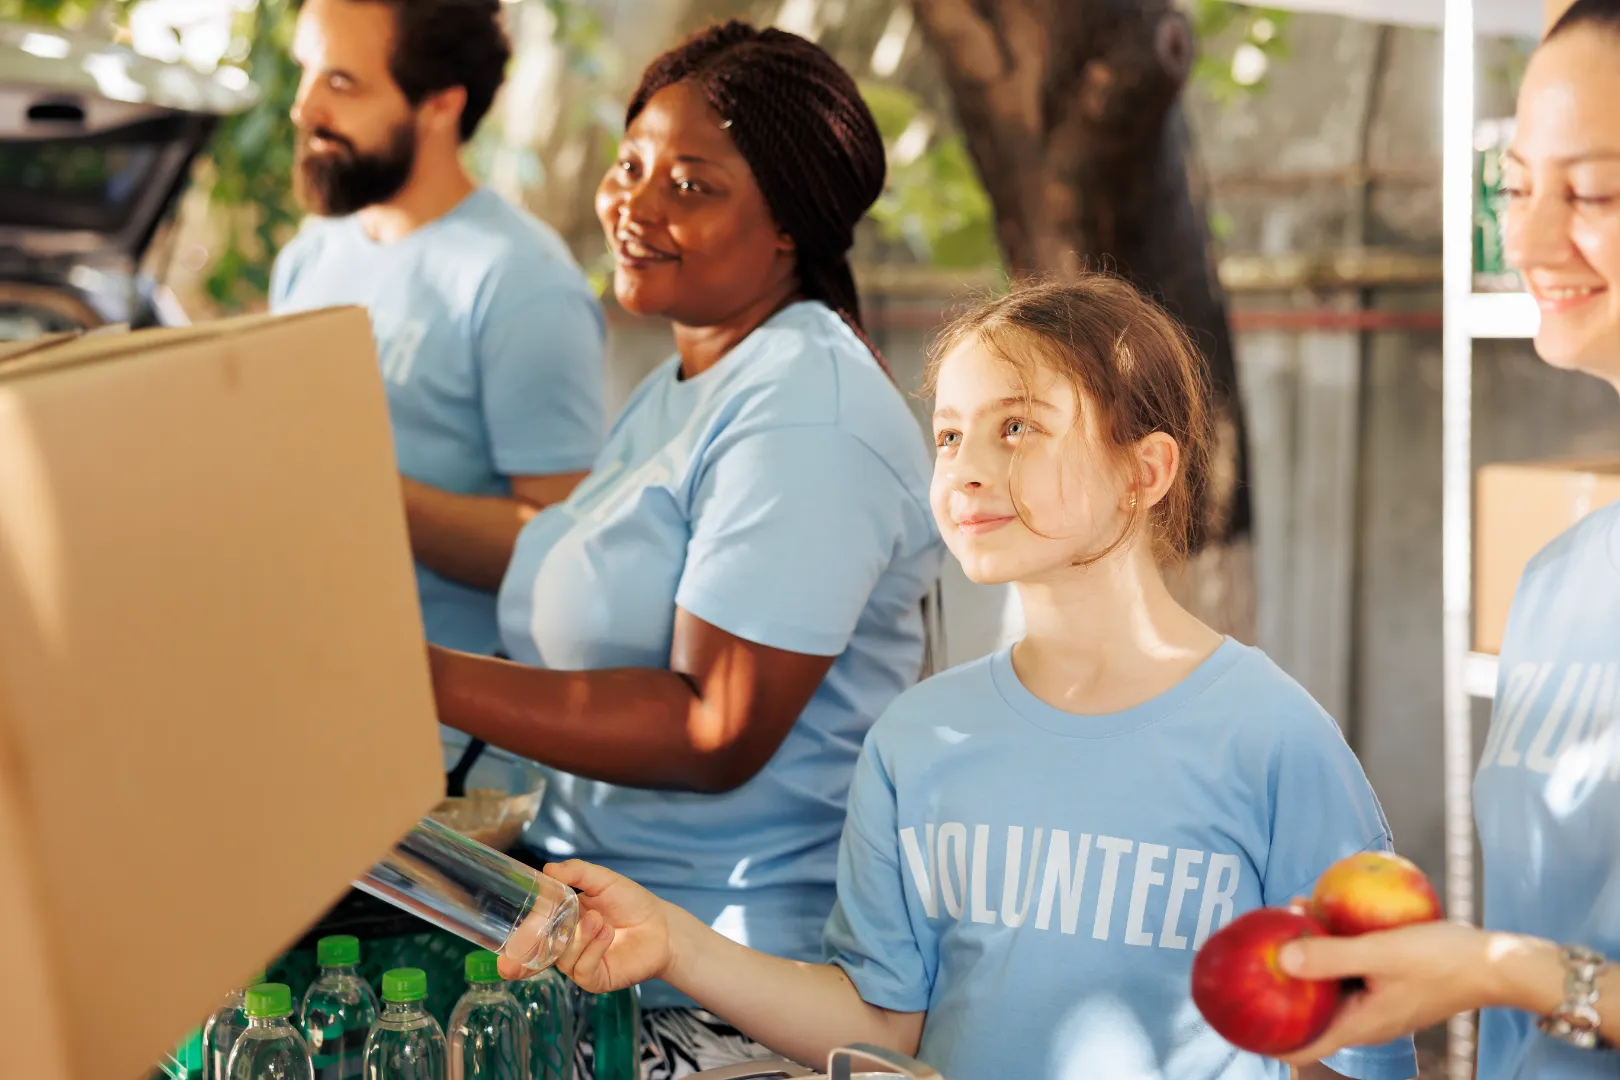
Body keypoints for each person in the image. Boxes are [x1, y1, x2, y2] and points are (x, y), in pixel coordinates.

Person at [526, 275, 1420, 1080]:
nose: (968, 470)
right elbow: (882, 1026)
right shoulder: (916, 743)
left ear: (1144, 470)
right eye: (950, 435)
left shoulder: (1276, 740)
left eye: (1018, 428)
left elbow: (1356, 1061)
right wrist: (673, 941)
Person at [428, 22, 943, 1076]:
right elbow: (560, 558)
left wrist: (411, 680)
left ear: (789, 224)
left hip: (729, 998)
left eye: (694, 186)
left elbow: (714, 726)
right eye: (631, 167)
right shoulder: (695, 379)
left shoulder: (807, 410)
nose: (636, 206)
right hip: (600, 942)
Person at [1270, 4, 1620, 1078]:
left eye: (1594, 190)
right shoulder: (1562, 579)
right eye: (1516, 186)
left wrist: (1500, 970)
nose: (1526, 240)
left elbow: (1526, 969)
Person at [270, 0, 605, 658]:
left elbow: (560, 548)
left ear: (441, 105)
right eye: (306, 72)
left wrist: (360, 488)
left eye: (342, 83)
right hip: (300, 661)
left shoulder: (524, 285)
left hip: (441, 727)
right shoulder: (310, 254)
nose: (304, 109)